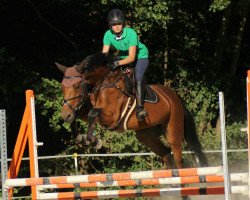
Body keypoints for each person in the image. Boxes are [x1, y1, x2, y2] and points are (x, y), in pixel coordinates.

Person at [102, 8, 149, 121]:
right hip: (123, 56)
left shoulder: (131, 33)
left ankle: (140, 108)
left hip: (140, 56)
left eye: (119, 23)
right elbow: (103, 55)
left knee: (138, 77)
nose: (116, 26)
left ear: (123, 23)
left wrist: (116, 63)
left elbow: (132, 57)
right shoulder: (108, 35)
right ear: (110, 25)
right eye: (114, 24)